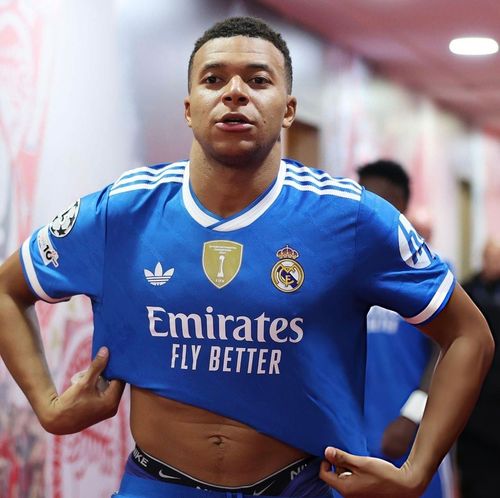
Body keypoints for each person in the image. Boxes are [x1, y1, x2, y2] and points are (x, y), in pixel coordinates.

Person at [0, 16, 494, 498]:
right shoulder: (123, 211)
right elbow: (7, 289)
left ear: (289, 109)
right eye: (214, 79)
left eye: (258, 80)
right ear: (189, 107)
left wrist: (417, 471)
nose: (234, 92)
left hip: (299, 486)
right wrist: (47, 406)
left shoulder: (352, 218)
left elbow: (468, 335)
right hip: (158, 484)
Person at [358, 160, 455, 498]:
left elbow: (449, 350)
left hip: (410, 438)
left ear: (398, 203)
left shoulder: (428, 271)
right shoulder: (344, 269)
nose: (364, 206)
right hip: (351, 440)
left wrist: (412, 416)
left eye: (374, 197)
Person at [456, 238, 500, 498]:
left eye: (496, 257)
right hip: (475, 396)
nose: (491, 262)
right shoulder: (468, 290)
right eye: (488, 256)